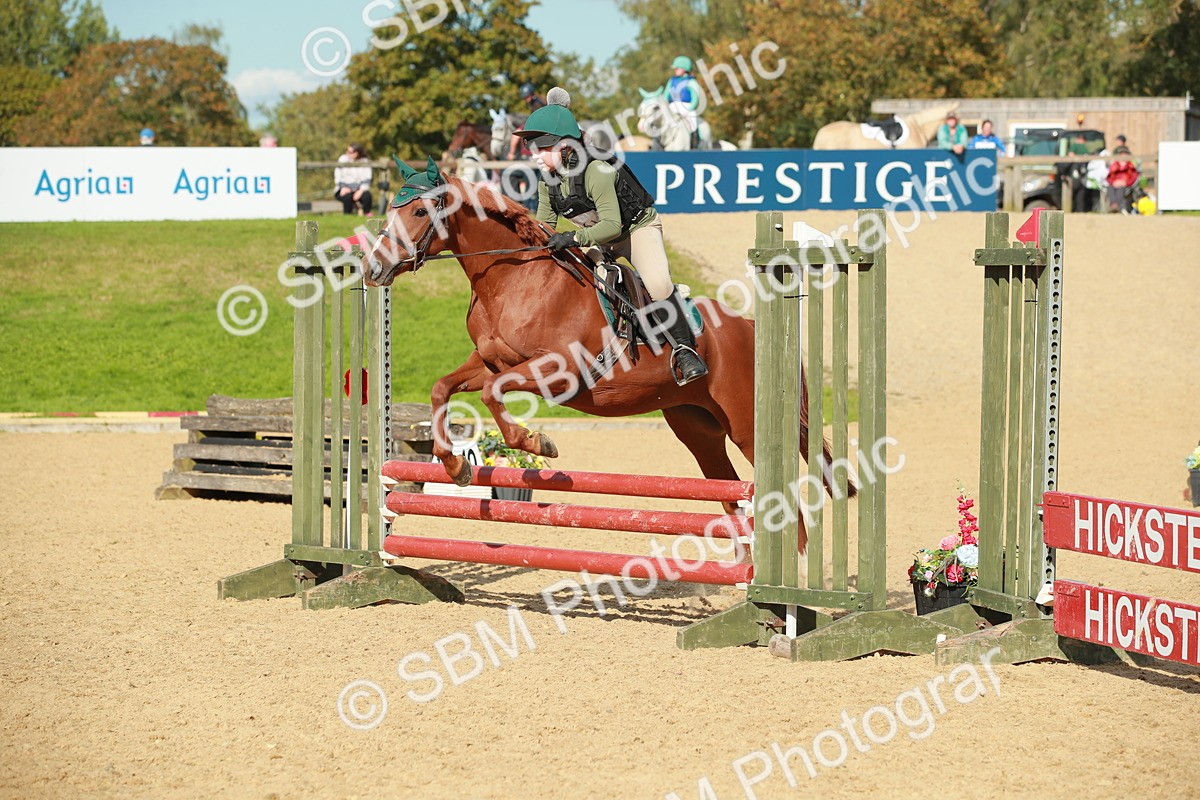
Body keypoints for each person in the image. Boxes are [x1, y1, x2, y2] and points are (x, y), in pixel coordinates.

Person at [514, 88, 708, 385]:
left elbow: (612, 227)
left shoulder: (597, 171)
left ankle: (685, 350)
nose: (534, 154)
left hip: (634, 230)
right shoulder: (547, 181)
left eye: (540, 147)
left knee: (657, 283)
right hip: (595, 236)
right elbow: (545, 226)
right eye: (531, 147)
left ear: (565, 146)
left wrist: (573, 238)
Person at [666, 56, 702, 149]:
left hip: (686, 107)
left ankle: (694, 143)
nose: (675, 70)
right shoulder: (672, 81)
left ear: (685, 68)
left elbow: (695, 98)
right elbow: (665, 96)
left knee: (692, 123)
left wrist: (689, 109)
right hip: (672, 107)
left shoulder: (691, 81)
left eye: (677, 68)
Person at [334, 143, 373, 216]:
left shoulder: (365, 161)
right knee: (347, 197)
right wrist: (343, 187)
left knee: (367, 196)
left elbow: (367, 178)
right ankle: (347, 217)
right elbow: (338, 175)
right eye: (347, 151)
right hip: (343, 188)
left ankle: (367, 216)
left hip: (359, 189)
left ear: (357, 153)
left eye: (350, 152)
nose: (347, 153)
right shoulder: (343, 159)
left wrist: (361, 191)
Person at [1106, 146, 1139, 212]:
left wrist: (1125, 183)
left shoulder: (1130, 166)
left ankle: (1117, 206)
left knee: (1120, 189)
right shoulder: (1114, 165)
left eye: (1125, 154)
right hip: (1114, 184)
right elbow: (1109, 177)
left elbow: (1133, 177)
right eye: (1121, 154)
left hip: (1125, 184)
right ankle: (1113, 205)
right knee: (1110, 188)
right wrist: (1113, 182)